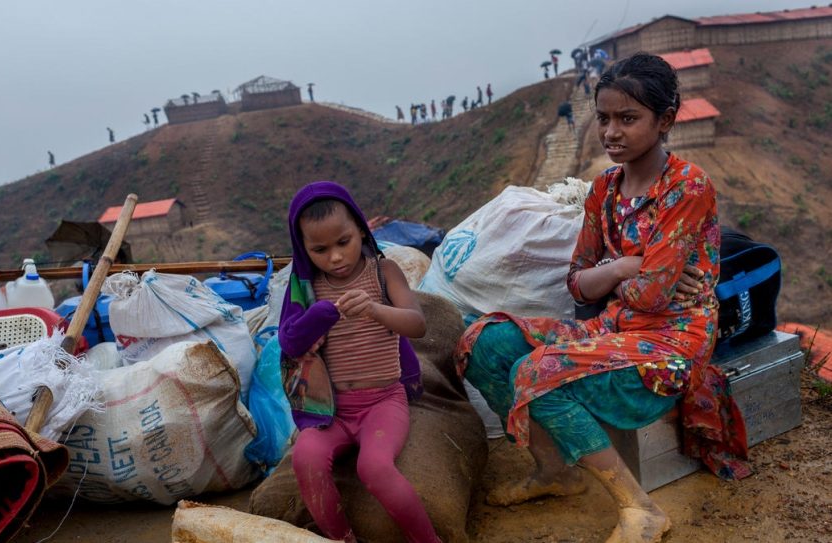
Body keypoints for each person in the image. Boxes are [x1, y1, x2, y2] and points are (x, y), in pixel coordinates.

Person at [457, 53, 750, 543]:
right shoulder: (604, 190)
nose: (612, 131)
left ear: (665, 121)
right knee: (483, 340)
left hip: (673, 342)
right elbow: (576, 280)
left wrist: (615, 277)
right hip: (616, 327)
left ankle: (640, 509)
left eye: (628, 119)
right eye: (605, 118)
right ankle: (556, 472)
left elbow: (655, 299)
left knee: (538, 371)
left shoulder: (687, 187)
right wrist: (626, 267)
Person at [279, 181, 439, 543]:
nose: (335, 257)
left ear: (361, 231)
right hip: (330, 411)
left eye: (343, 242)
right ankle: (344, 538)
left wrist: (374, 309)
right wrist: (318, 315)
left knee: (374, 468)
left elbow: (417, 324)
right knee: (305, 457)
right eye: (319, 249)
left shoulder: (385, 274)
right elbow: (289, 341)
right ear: (303, 249)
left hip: (383, 402)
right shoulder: (305, 288)